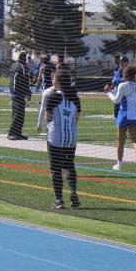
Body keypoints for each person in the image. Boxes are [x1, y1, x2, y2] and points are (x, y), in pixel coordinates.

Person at [44, 69, 81, 210]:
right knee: (69, 165)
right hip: (71, 137)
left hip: (56, 137)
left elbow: (48, 117)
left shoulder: (53, 97)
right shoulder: (75, 98)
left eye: (54, 79)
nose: (52, 81)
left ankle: (59, 200)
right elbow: (76, 118)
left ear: (59, 81)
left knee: (55, 168)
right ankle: (73, 192)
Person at [106, 66, 136, 173]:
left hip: (123, 116)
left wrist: (108, 92)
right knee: (135, 140)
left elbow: (117, 100)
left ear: (125, 75)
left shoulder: (122, 85)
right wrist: (113, 91)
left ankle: (119, 164)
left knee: (120, 141)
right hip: (135, 116)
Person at [8, 52, 32, 140]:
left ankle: (18, 133)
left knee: (20, 114)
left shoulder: (16, 65)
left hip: (18, 93)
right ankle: (11, 133)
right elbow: (18, 80)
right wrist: (26, 92)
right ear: (24, 58)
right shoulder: (20, 66)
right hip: (17, 94)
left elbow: (24, 80)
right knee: (18, 114)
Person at [110, 56, 129, 120]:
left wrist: (117, 81)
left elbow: (127, 81)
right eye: (120, 62)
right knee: (116, 112)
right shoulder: (117, 71)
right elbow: (114, 81)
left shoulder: (129, 71)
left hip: (127, 93)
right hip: (119, 92)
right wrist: (115, 83)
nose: (121, 63)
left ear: (126, 63)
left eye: (122, 62)